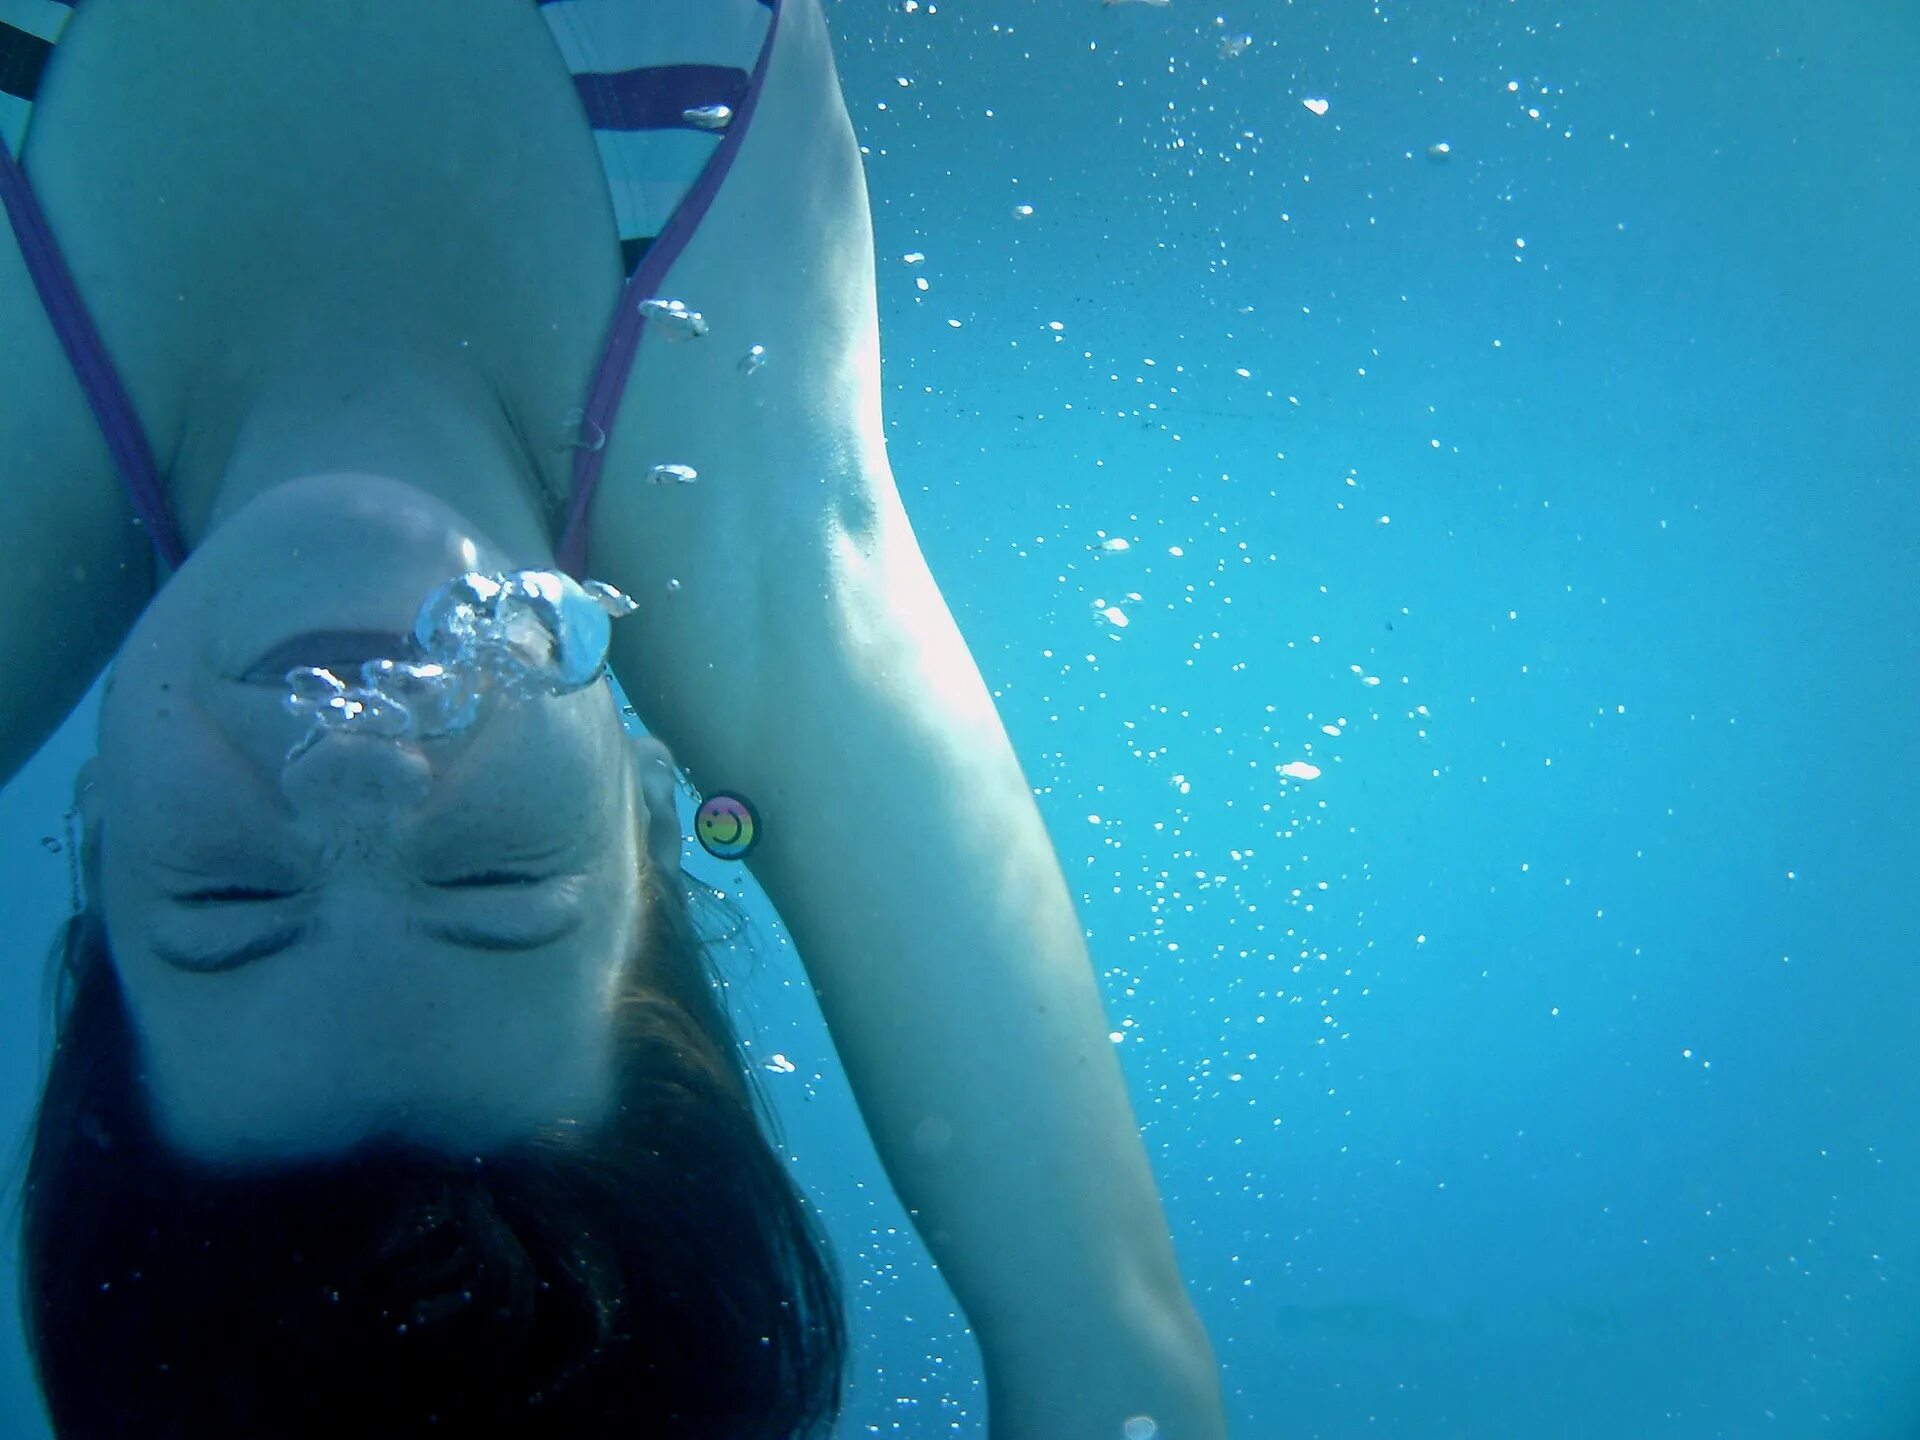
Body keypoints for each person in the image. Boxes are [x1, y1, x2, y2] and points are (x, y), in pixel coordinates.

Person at [0, 2, 1227, 1436]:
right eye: (491, 882)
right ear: (649, 814)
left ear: (97, 845)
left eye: (232, 899)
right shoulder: (768, 562)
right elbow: (1113, 1355)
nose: (352, 775)